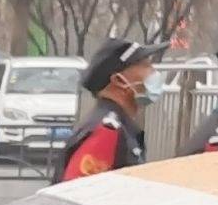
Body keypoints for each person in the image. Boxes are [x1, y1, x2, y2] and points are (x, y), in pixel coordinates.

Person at [55, 38, 154, 181]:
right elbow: (78, 194)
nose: (153, 73)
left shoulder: (123, 126)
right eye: (145, 66)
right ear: (119, 80)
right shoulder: (106, 133)